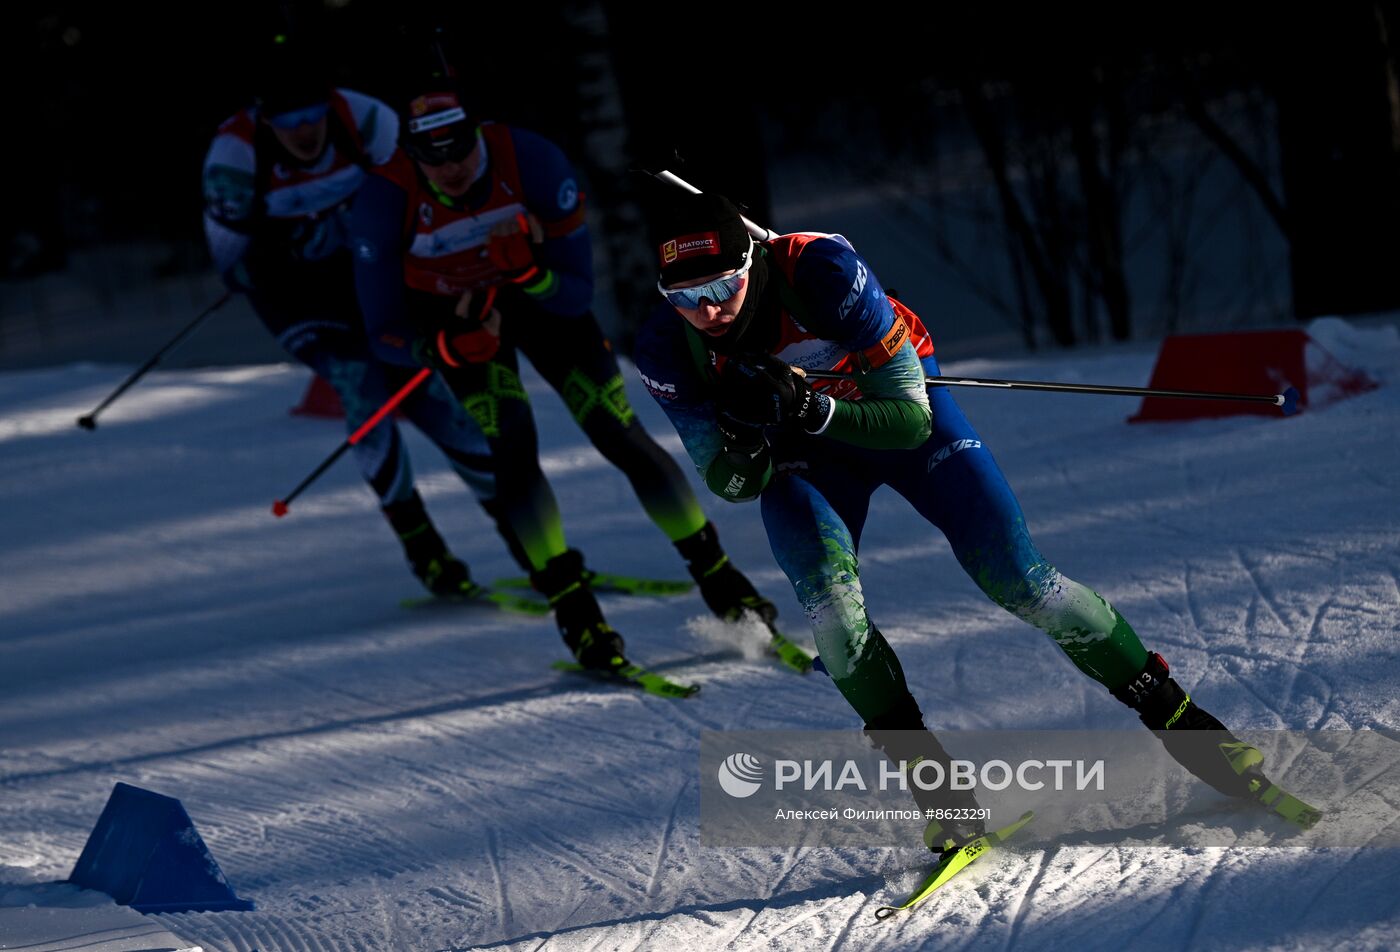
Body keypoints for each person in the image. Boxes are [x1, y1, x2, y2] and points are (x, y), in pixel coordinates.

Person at [635, 190, 1295, 853]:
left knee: (1019, 579)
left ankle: (1185, 723)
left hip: (899, 415)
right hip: (807, 456)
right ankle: (943, 799)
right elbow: (728, 483)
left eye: (722, 286)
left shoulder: (822, 272)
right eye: (685, 297)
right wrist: (746, 438)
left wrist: (813, 409)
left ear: (753, 260)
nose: (708, 310)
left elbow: (911, 421)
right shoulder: (667, 345)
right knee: (832, 618)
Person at [347, 69, 776, 671]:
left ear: (479, 134)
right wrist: (444, 346)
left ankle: (719, 577)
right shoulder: (383, 198)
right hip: (460, 325)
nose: (450, 169)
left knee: (616, 429)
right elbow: (383, 333)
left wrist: (526, 274)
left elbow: (573, 295)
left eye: (460, 149)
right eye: (429, 157)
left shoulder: (531, 161)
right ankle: (574, 610)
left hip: (544, 308)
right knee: (511, 446)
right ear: (409, 154)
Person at [202, 37, 518, 597]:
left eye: (312, 113)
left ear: (328, 101)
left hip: (372, 280)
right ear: (262, 116)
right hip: (298, 298)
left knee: (430, 398)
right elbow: (233, 263)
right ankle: (425, 550)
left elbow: (422, 198)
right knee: (362, 383)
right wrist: (290, 245)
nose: (304, 131)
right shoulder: (233, 156)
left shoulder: (365, 118)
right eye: (287, 120)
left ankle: (524, 538)